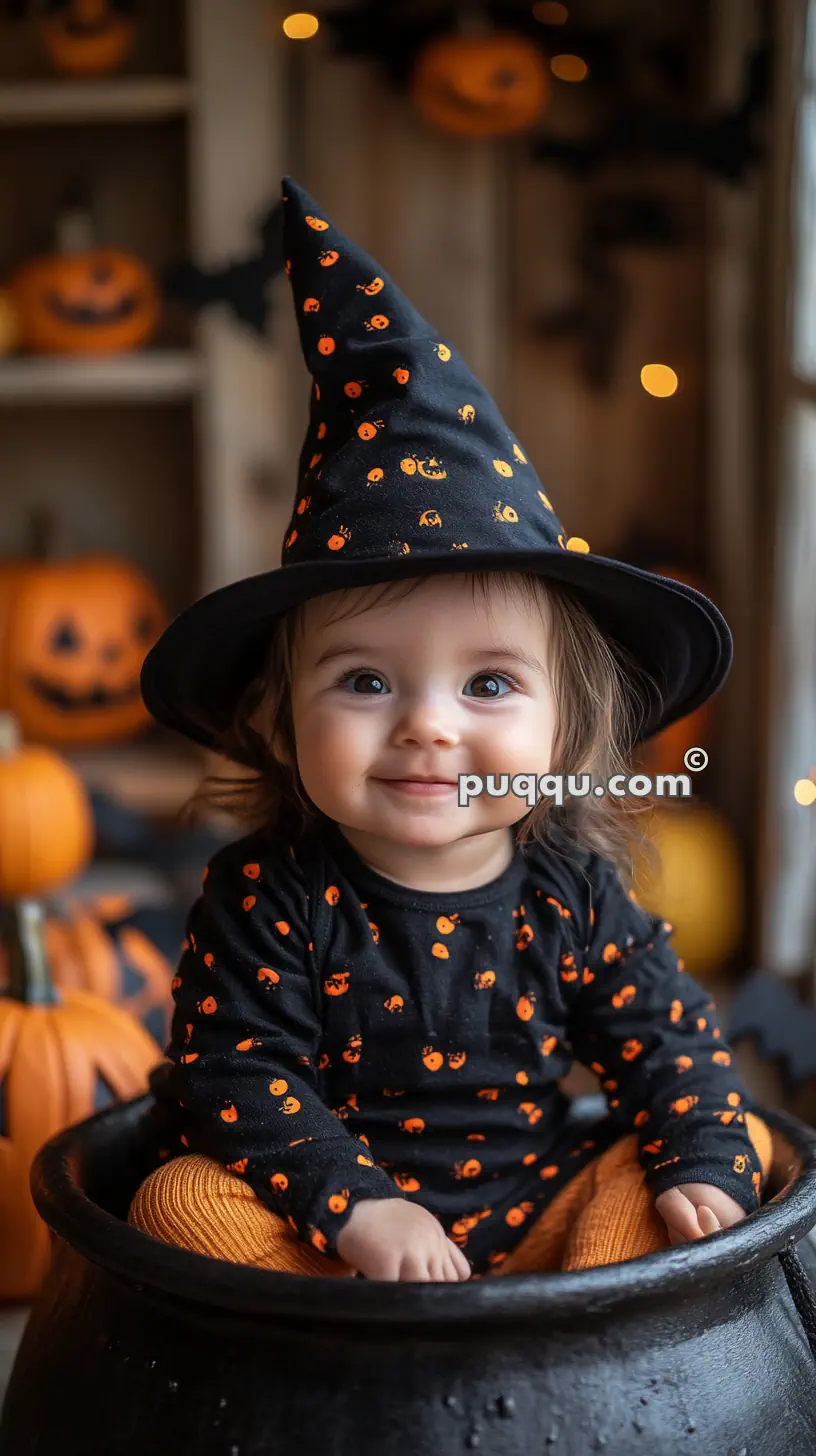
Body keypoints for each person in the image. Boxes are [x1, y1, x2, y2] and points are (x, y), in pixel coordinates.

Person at [128, 177, 772, 1283]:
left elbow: (667, 1040)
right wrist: (361, 1209)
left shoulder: (569, 891)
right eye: (367, 680)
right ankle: (368, 1308)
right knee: (179, 1199)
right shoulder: (267, 897)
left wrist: (693, 1158)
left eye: (487, 686)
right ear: (279, 720)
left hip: (537, 1204)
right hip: (333, 1219)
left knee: (729, 1140)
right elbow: (237, 1076)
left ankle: (569, 1300)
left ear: (567, 727)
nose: (428, 727)